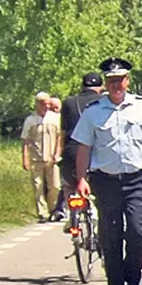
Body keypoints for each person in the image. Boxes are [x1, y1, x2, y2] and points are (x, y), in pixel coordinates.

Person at [71, 58, 142, 285]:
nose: (116, 85)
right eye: (111, 80)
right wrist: (81, 178)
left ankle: (133, 282)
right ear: (106, 83)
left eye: (120, 80)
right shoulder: (93, 112)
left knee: (137, 232)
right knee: (110, 237)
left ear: (127, 81)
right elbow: (84, 146)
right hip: (106, 182)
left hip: (136, 179)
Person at [57, 73, 104, 220]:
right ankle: (99, 213)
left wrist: (59, 153)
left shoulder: (69, 103)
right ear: (101, 88)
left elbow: (63, 133)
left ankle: (72, 216)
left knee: (69, 184)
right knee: (102, 186)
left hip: (72, 149)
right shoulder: (104, 102)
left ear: (82, 86)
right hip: (96, 151)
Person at [21, 92, 62, 222]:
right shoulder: (30, 120)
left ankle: (52, 209)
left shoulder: (55, 118)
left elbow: (60, 137)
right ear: (37, 104)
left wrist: (57, 153)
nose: (46, 106)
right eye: (43, 104)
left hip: (52, 158)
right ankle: (42, 213)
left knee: (55, 186)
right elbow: (25, 140)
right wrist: (25, 158)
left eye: (48, 104)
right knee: (38, 186)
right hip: (36, 158)